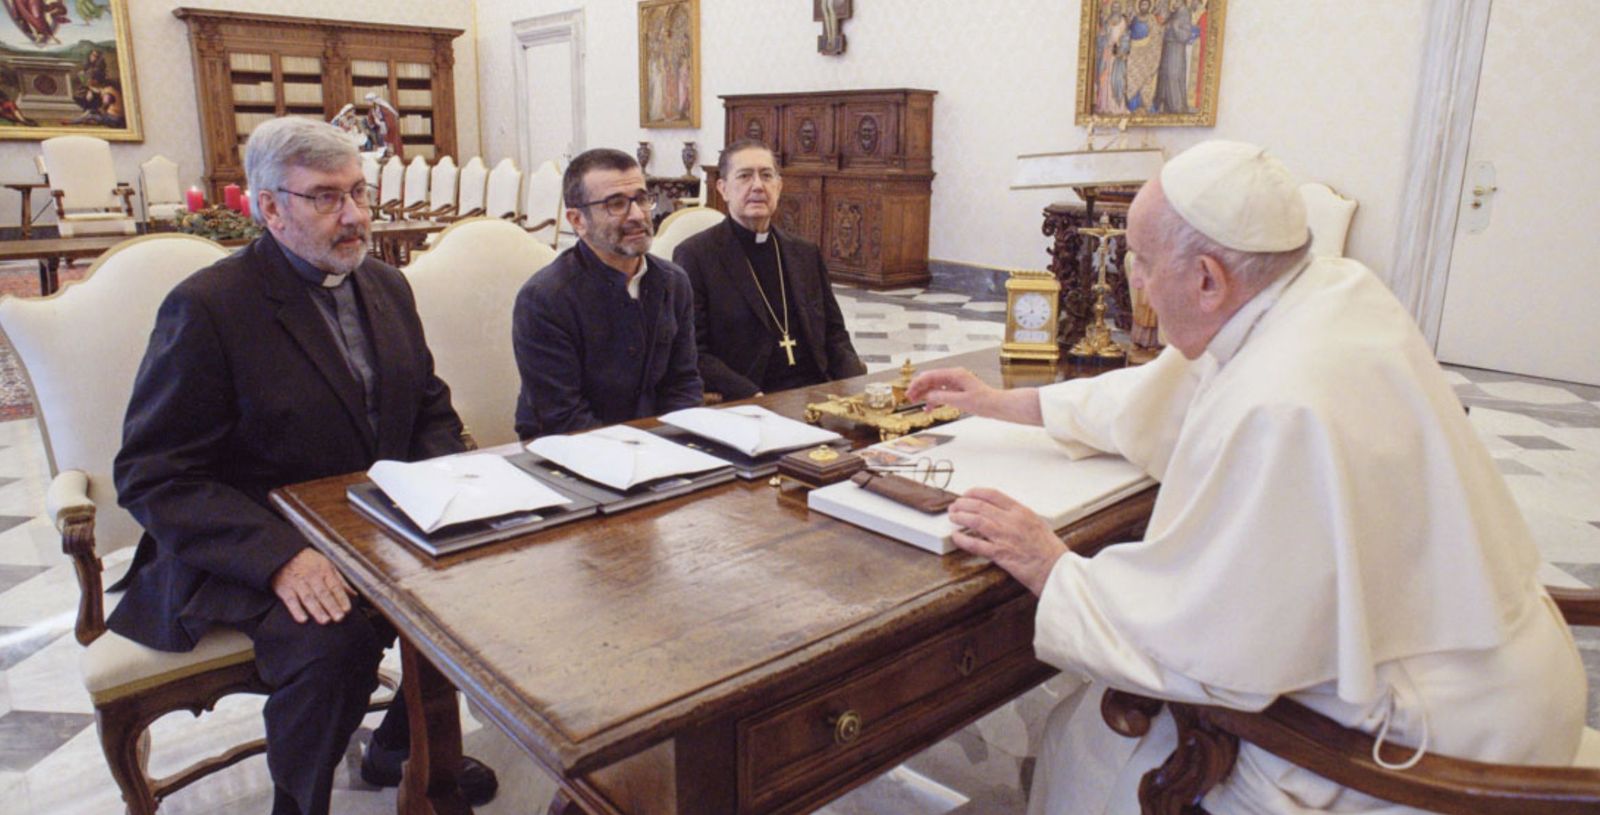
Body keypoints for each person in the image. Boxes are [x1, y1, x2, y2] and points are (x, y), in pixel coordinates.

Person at [906, 140, 1586, 814]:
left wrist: (1053, 564)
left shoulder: (1282, 405)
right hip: (1518, 677)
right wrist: (997, 402)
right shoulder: (1326, 293)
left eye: (1139, 260)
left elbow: (1194, 637)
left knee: (1091, 739)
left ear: (1207, 278)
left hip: (1427, 748)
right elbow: (1154, 402)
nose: (1131, 280)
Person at [109, 117, 496, 815]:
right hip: (243, 542)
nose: (353, 216)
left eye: (358, 191)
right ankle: (298, 801)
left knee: (478, 586)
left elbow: (427, 408)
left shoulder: (384, 284)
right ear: (271, 208)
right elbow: (153, 473)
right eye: (325, 197)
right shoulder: (210, 307)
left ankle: (399, 747)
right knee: (336, 643)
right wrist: (281, 557)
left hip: (364, 524)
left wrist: (456, 491)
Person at [512, 147, 703, 438]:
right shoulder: (545, 299)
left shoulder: (673, 282)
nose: (637, 215)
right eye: (616, 204)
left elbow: (684, 384)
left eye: (641, 198)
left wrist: (677, 446)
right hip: (570, 453)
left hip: (660, 448)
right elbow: (562, 417)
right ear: (578, 221)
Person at [672, 139, 864, 400]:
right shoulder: (696, 255)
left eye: (766, 175)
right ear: (723, 188)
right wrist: (753, 396)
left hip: (817, 391)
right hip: (753, 398)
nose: (758, 186)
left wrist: (858, 387)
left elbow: (834, 334)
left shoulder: (805, 253)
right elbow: (694, 350)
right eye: (744, 176)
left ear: (779, 186)